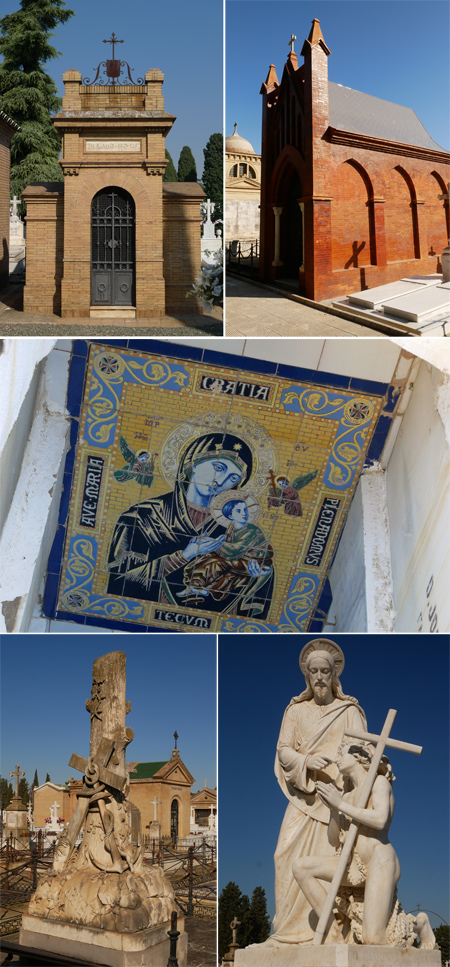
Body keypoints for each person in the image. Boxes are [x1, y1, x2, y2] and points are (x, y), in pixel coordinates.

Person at [262, 640, 367, 947]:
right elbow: (283, 751)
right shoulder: (295, 711)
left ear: (334, 674)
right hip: (305, 796)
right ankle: (288, 932)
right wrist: (307, 761)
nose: (320, 677)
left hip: (337, 800)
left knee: (327, 862)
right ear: (306, 676)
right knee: (283, 855)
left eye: (325, 671)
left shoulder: (349, 711)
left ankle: (330, 933)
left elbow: (365, 752)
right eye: (314, 671)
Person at [107, 431, 274, 617]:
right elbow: (117, 580)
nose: (221, 481)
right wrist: (185, 555)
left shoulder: (234, 525)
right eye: (218, 467)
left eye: (234, 478)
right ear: (192, 464)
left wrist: (256, 576)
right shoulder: (142, 517)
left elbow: (259, 564)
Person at [294, 744, 436, 949]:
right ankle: (333, 937)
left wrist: (341, 806)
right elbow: (334, 840)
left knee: (373, 938)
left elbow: (381, 820)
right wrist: (334, 810)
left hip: (380, 861)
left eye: (342, 753)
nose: (338, 757)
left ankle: (419, 923)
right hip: (352, 865)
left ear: (359, 757)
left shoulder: (379, 783)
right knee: (301, 867)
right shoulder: (346, 796)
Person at [178, 496, 273, 614]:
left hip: (252, 560)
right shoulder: (232, 527)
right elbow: (228, 545)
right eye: (239, 511)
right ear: (230, 515)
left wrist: (214, 543)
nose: (244, 513)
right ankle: (196, 586)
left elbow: (236, 550)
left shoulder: (252, 530)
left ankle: (198, 586)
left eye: (245, 510)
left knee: (217, 563)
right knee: (206, 557)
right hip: (237, 557)